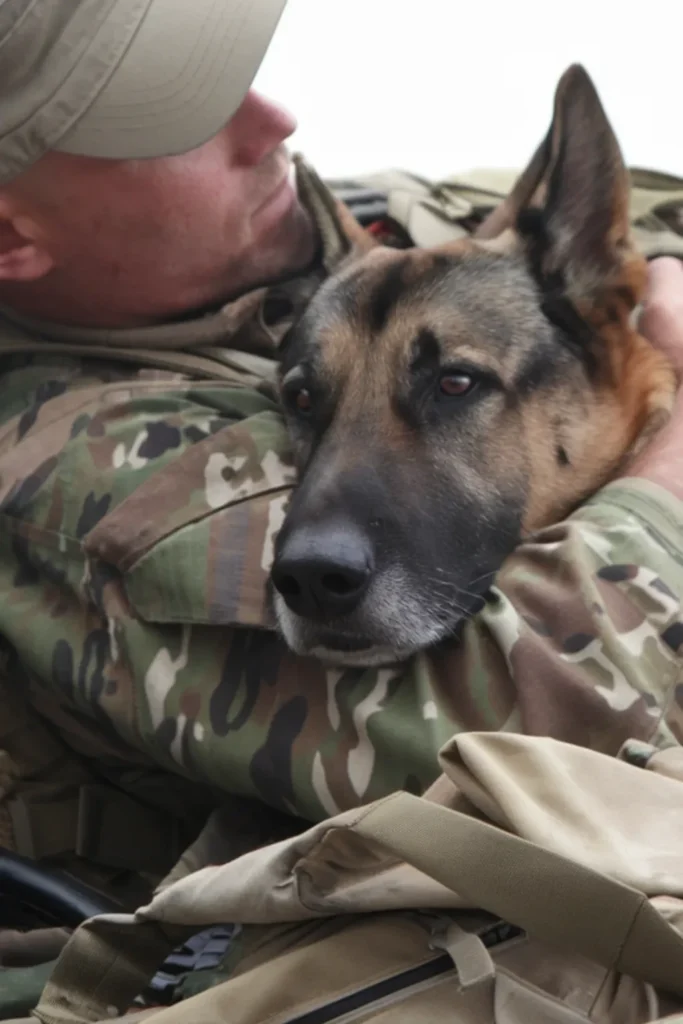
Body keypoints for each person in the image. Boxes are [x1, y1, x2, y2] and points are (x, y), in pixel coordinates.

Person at [1, 0, 683, 986]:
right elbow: (492, 737)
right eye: (184, 120)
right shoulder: (74, 472)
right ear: (13, 238)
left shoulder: (307, 239)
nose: (272, 122)